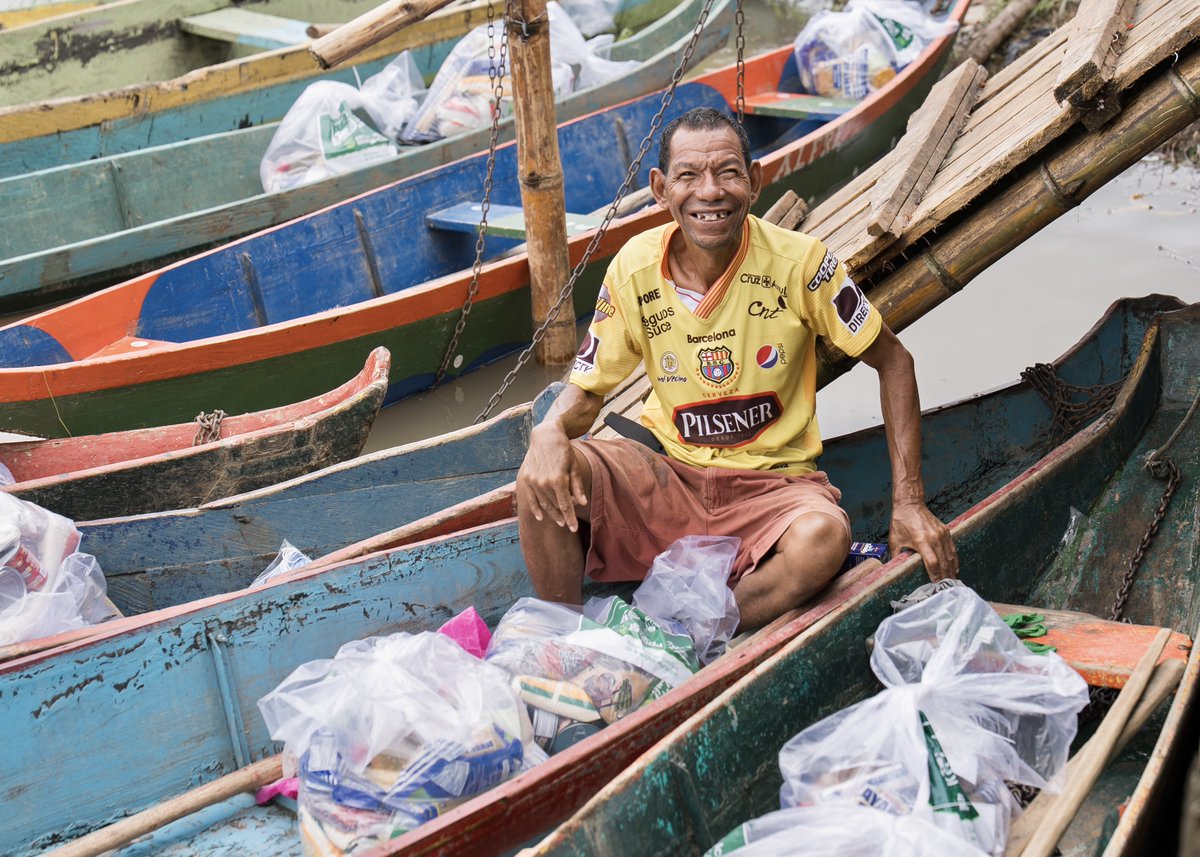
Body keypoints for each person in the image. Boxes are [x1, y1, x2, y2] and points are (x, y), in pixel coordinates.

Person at [516, 106, 958, 630]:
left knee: (823, 540)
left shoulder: (802, 264)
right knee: (537, 478)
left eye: (727, 173)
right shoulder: (633, 267)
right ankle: (563, 637)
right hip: (668, 474)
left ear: (754, 182)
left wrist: (909, 501)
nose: (709, 192)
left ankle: (696, 632)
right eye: (688, 176)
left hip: (771, 486)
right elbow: (588, 391)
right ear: (660, 188)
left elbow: (894, 361)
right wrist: (549, 432)